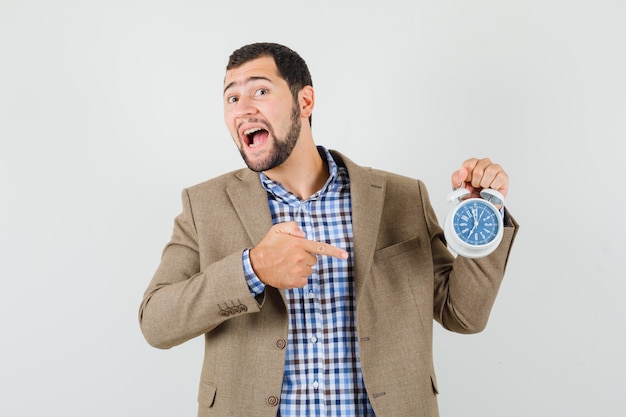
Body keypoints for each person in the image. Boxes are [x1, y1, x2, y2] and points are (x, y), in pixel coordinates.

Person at [139, 42, 519, 417]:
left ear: (304, 102)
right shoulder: (204, 205)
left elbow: (463, 314)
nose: (244, 108)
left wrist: (481, 214)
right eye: (231, 98)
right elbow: (156, 322)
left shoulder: (401, 197)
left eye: (260, 90)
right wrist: (251, 269)